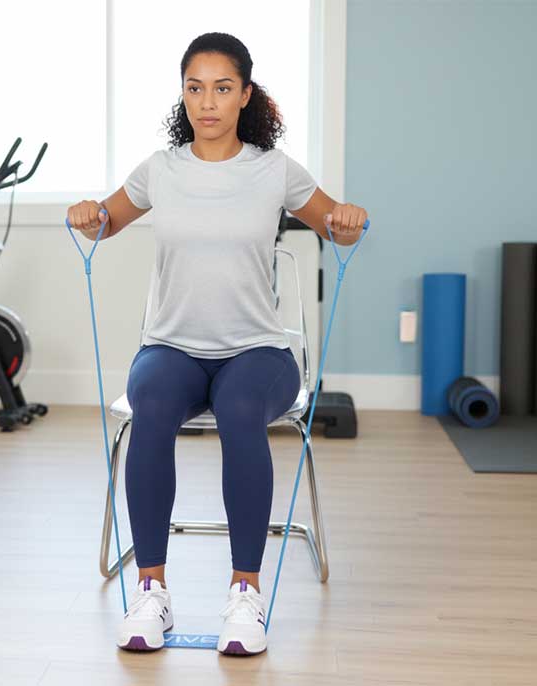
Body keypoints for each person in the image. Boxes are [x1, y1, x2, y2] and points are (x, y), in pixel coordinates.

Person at [66, 32, 369, 656]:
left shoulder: (273, 169)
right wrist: (86, 213)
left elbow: (337, 227)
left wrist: (347, 219)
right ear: (183, 94)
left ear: (244, 95)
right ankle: (152, 590)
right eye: (195, 87)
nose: (207, 102)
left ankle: (245, 594)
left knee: (238, 413)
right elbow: (106, 219)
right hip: (172, 348)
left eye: (222, 88)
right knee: (149, 407)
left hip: (257, 351)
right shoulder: (160, 170)